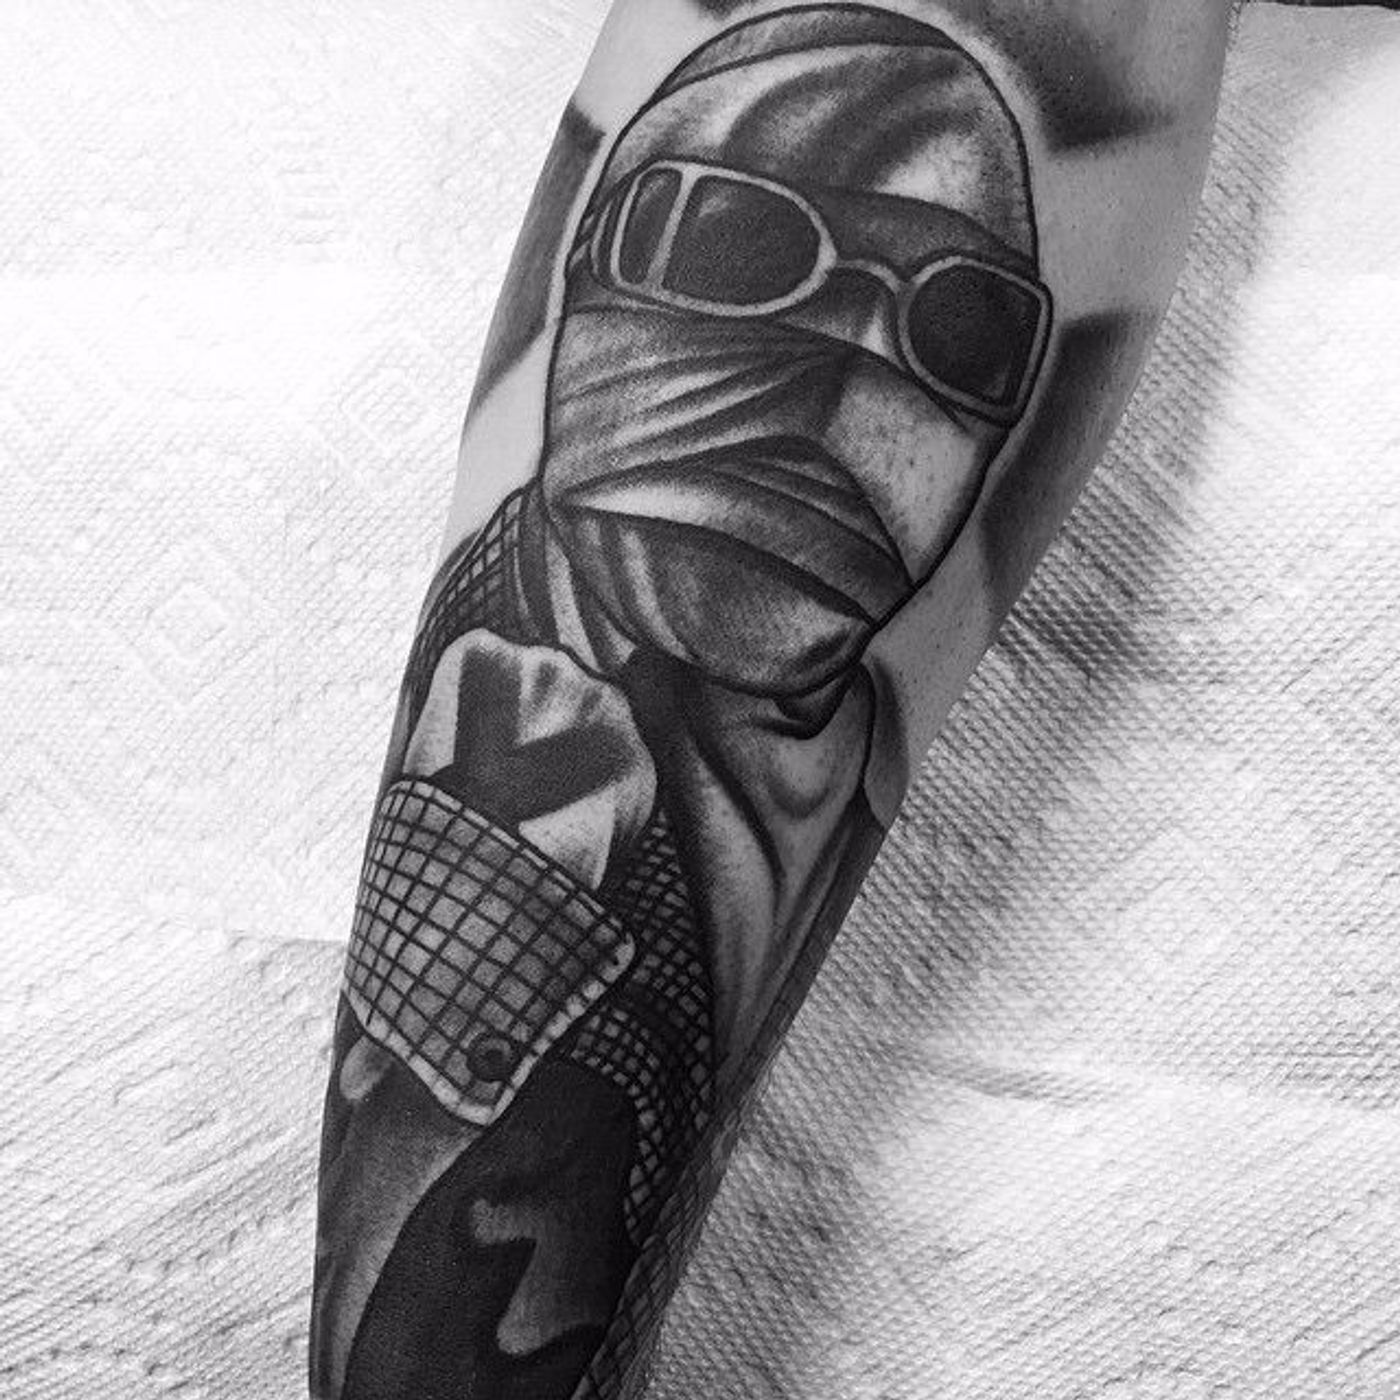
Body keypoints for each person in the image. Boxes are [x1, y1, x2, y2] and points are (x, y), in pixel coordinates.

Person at [308, 4, 1234, 1397]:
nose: (852, 368)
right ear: (594, 279)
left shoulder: (814, 756)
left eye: (960, 324)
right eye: (740, 239)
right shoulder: (515, 743)